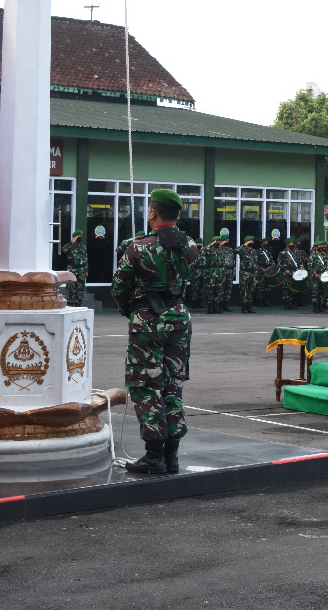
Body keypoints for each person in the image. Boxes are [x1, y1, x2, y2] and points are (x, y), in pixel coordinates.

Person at [112, 189, 198, 474]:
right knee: (173, 384)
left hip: (148, 319)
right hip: (179, 318)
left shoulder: (138, 247)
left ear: (152, 212)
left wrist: (133, 312)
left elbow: (119, 288)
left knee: (147, 386)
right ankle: (171, 455)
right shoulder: (189, 245)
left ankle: (153, 456)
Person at [61, 227, 88, 307]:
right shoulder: (70, 246)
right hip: (72, 269)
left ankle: (78, 303)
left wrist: (86, 270)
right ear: (75, 237)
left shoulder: (83, 247)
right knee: (71, 288)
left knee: (80, 288)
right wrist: (71, 243)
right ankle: (71, 303)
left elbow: (86, 259)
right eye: (78, 236)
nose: (80, 237)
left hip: (81, 270)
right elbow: (64, 250)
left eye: (81, 235)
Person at [237, 236, 258, 314]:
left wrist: (256, 271)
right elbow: (236, 250)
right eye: (250, 241)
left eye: (252, 241)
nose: (252, 242)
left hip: (253, 273)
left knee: (251, 290)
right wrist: (245, 245)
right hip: (244, 273)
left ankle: (249, 306)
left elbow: (256, 261)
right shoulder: (242, 250)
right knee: (244, 290)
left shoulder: (254, 251)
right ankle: (244, 307)